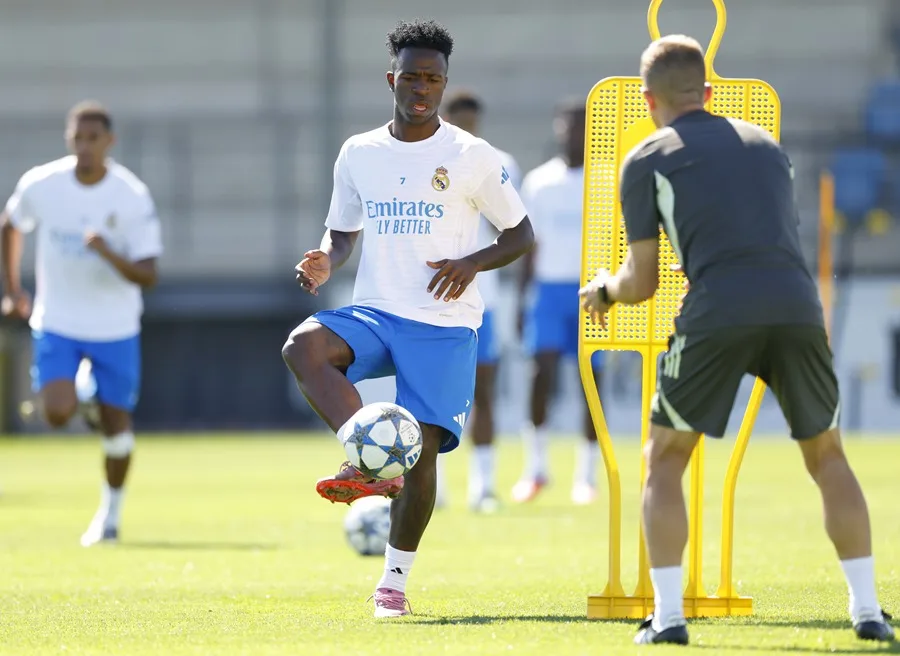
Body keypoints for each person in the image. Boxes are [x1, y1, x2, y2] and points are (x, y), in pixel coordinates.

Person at [579, 35, 895, 646]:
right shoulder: (767, 146)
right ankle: (867, 609)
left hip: (718, 310)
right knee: (828, 457)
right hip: (797, 305)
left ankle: (668, 618)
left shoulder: (646, 156)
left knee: (665, 459)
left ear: (647, 99)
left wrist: (604, 291)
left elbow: (640, 282)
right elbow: (759, 231)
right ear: (709, 91)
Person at [281, 19, 534, 618]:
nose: (422, 88)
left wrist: (472, 262)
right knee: (303, 347)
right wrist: (326, 259)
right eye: (412, 77)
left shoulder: (473, 156)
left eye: (433, 79)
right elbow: (343, 234)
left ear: (444, 84)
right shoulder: (359, 152)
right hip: (376, 308)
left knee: (419, 460)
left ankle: (392, 584)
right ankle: (369, 456)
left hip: (445, 321)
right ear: (391, 79)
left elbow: (520, 233)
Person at [0, 101, 162, 547]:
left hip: (115, 327)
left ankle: (110, 516)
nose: (85, 146)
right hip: (59, 320)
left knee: (116, 428)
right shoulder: (43, 183)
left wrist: (107, 252)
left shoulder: (130, 196)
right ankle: (84, 392)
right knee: (55, 412)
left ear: (109, 142)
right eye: (78, 138)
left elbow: (149, 275)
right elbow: (11, 225)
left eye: (94, 138)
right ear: (69, 140)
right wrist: (13, 290)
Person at [512, 99, 604, 506]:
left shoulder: (605, 179)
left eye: (582, 127)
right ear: (558, 129)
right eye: (568, 127)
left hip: (593, 291)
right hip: (548, 291)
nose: (574, 134)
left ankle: (586, 476)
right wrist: (521, 298)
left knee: (591, 383)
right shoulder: (539, 182)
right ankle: (536, 468)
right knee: (540, 374)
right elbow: (529, 244)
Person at [440, 89, 523, 513]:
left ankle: (483, 486)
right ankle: (434, 487)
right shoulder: (428, 157)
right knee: (431, 396)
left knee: (484, 392)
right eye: (459, 121)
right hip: (435, 299)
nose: (466, 129)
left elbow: (514, 227)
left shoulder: (499, 163)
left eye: (472, 122)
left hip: (482, 299)